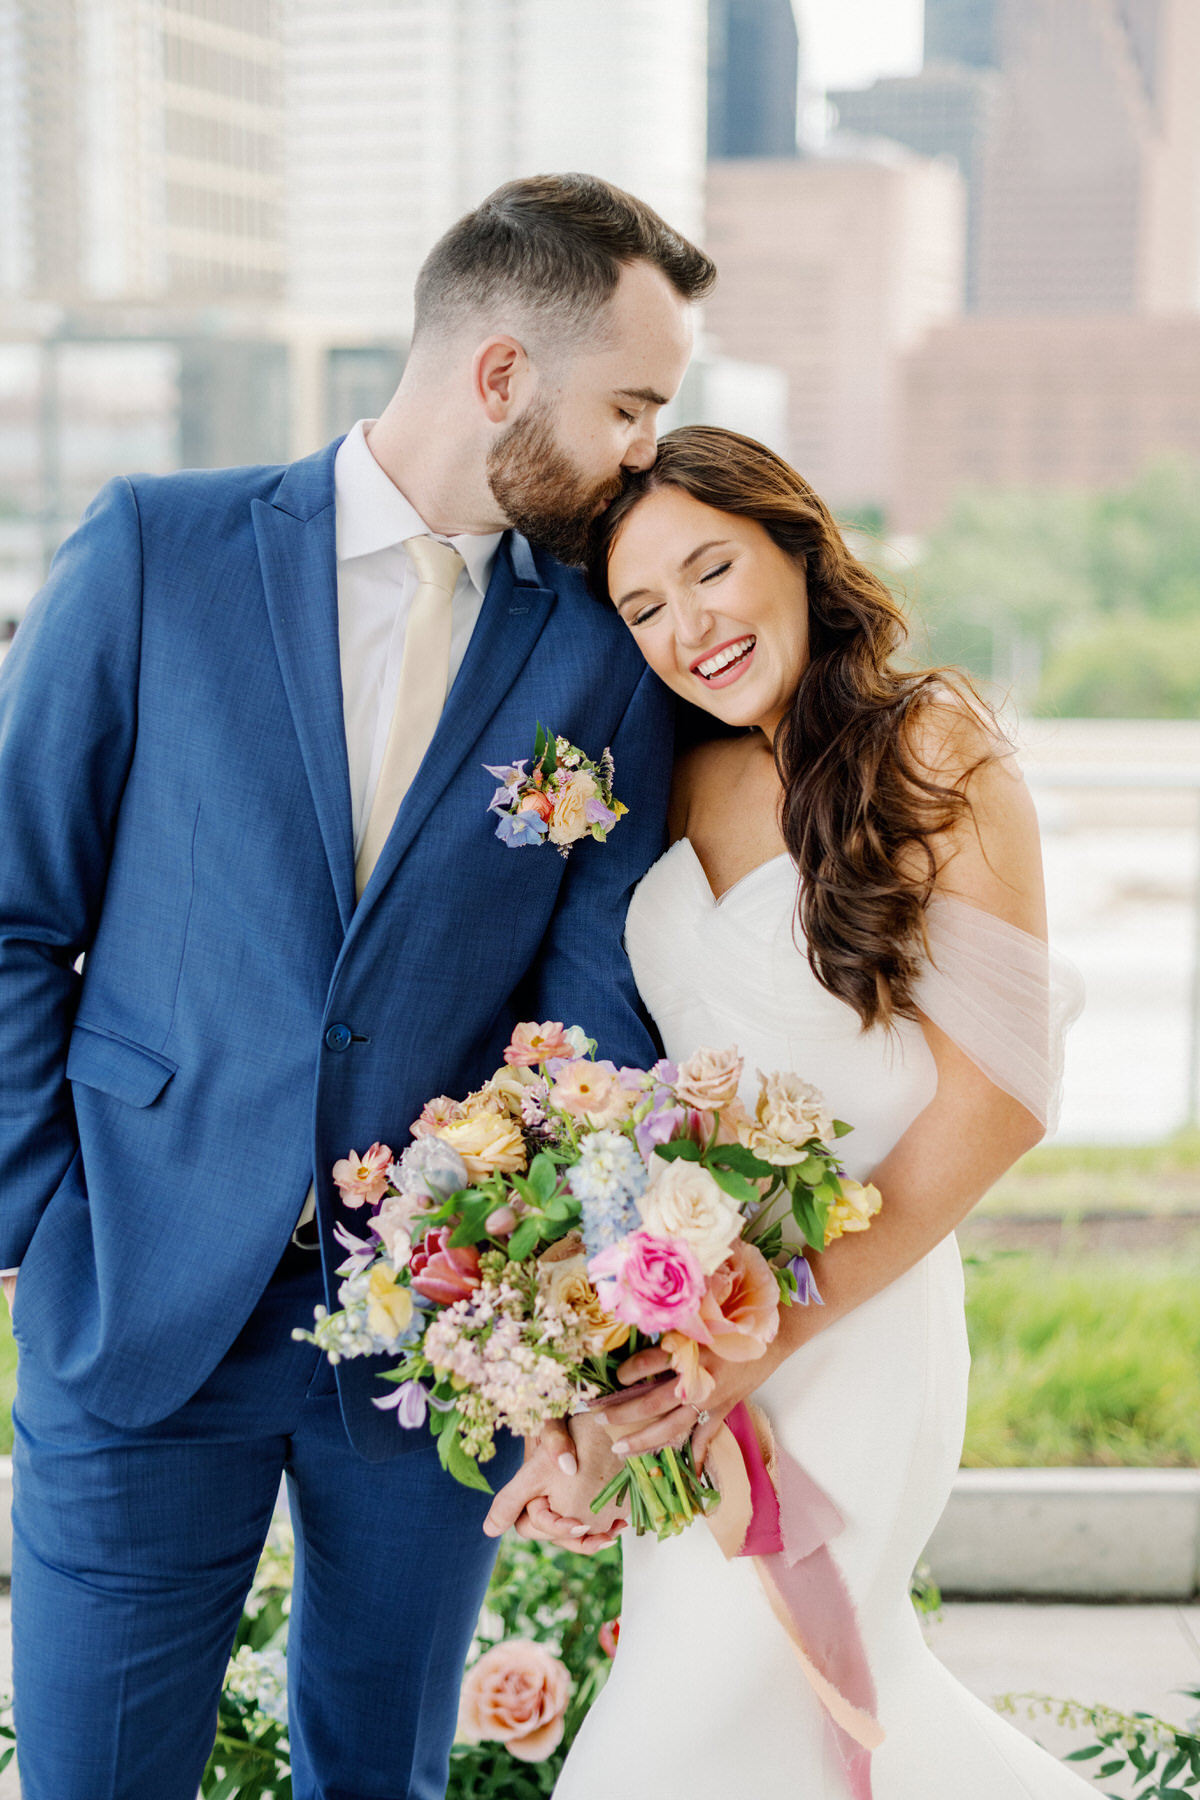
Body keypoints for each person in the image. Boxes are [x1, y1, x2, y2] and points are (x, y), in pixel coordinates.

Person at [0, 175, 714, 1800]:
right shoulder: (153, 552)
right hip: (137, 1297)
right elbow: (14, 913)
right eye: (630, 403)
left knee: (379, 1779)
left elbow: (591, 1020)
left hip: (436, 1351)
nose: (645, 453)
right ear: (499, 374)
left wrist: (562, 1322)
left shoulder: (601, 650)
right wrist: (41, 1222)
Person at [487, 425, 1087, 1797]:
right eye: (644, 605)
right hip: (690, 1325)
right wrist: (587, 1395)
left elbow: (1003, 1102)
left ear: (798, 550)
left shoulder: (933, 747)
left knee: (686, 1732)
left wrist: (782, 1315)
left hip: (851, 1326)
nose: (688, 625)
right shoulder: (668, 777)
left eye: (712, 569)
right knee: (797, 1719)